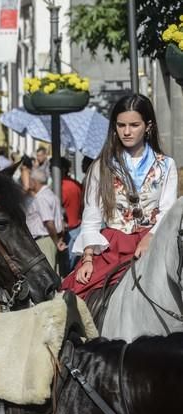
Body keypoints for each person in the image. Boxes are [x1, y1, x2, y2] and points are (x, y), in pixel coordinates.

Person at [62, 94, 178, 299]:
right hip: (113, 246)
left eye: (134, 125)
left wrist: (150, 236)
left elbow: (168, 209)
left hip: (155, 241)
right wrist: (88, 258)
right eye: (121, 125)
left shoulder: (166, 165)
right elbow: (91, 217)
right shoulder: (101, 166)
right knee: (74, 295)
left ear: (148, 125)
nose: (126, 131)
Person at [25, 169, 66, 270]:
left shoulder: (41, 198)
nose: (28, 182)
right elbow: (61, 221)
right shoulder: (51, 195)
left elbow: (49, 222)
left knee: (46, 274)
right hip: (51, 239)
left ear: (35, 181)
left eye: (30, 179)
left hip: (44, 241)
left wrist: (56, 241)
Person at [59, 157, 83, 275]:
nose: (49, 171)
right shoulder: (76, 184)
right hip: (78, 227)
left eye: (51, 168)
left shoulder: (60, 187)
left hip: (69, 231)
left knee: (66, 270)